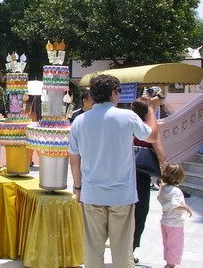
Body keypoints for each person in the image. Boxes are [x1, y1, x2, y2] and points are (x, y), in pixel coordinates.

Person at [69, 74, 158, 268]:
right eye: (118, 91)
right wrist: (150, 109)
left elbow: (74, 158)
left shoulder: (80, 121)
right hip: (121, 194)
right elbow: (152, 136)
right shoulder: (127, 116)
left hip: (92, 193)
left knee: (92, 248)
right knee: (122, 249)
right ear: (113, 93)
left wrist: (77, 187)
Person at [131, 96, 166, 263]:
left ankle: (122, 248)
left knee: (124, 213)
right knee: (140, 212)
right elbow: (161, 153)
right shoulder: (149, 129)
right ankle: (129, 250)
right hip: (141, 175)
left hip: (124, 172)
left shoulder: (127, 124)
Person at [157, 164, 192, 268]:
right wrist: (185, 207)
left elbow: (160, 198)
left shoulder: (163, 188)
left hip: (165, 222)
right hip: (175, 223)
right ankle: (170, 265)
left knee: (167, 243)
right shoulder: (176, 191)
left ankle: (169, 262)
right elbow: (174, 203)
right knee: (175, 245)